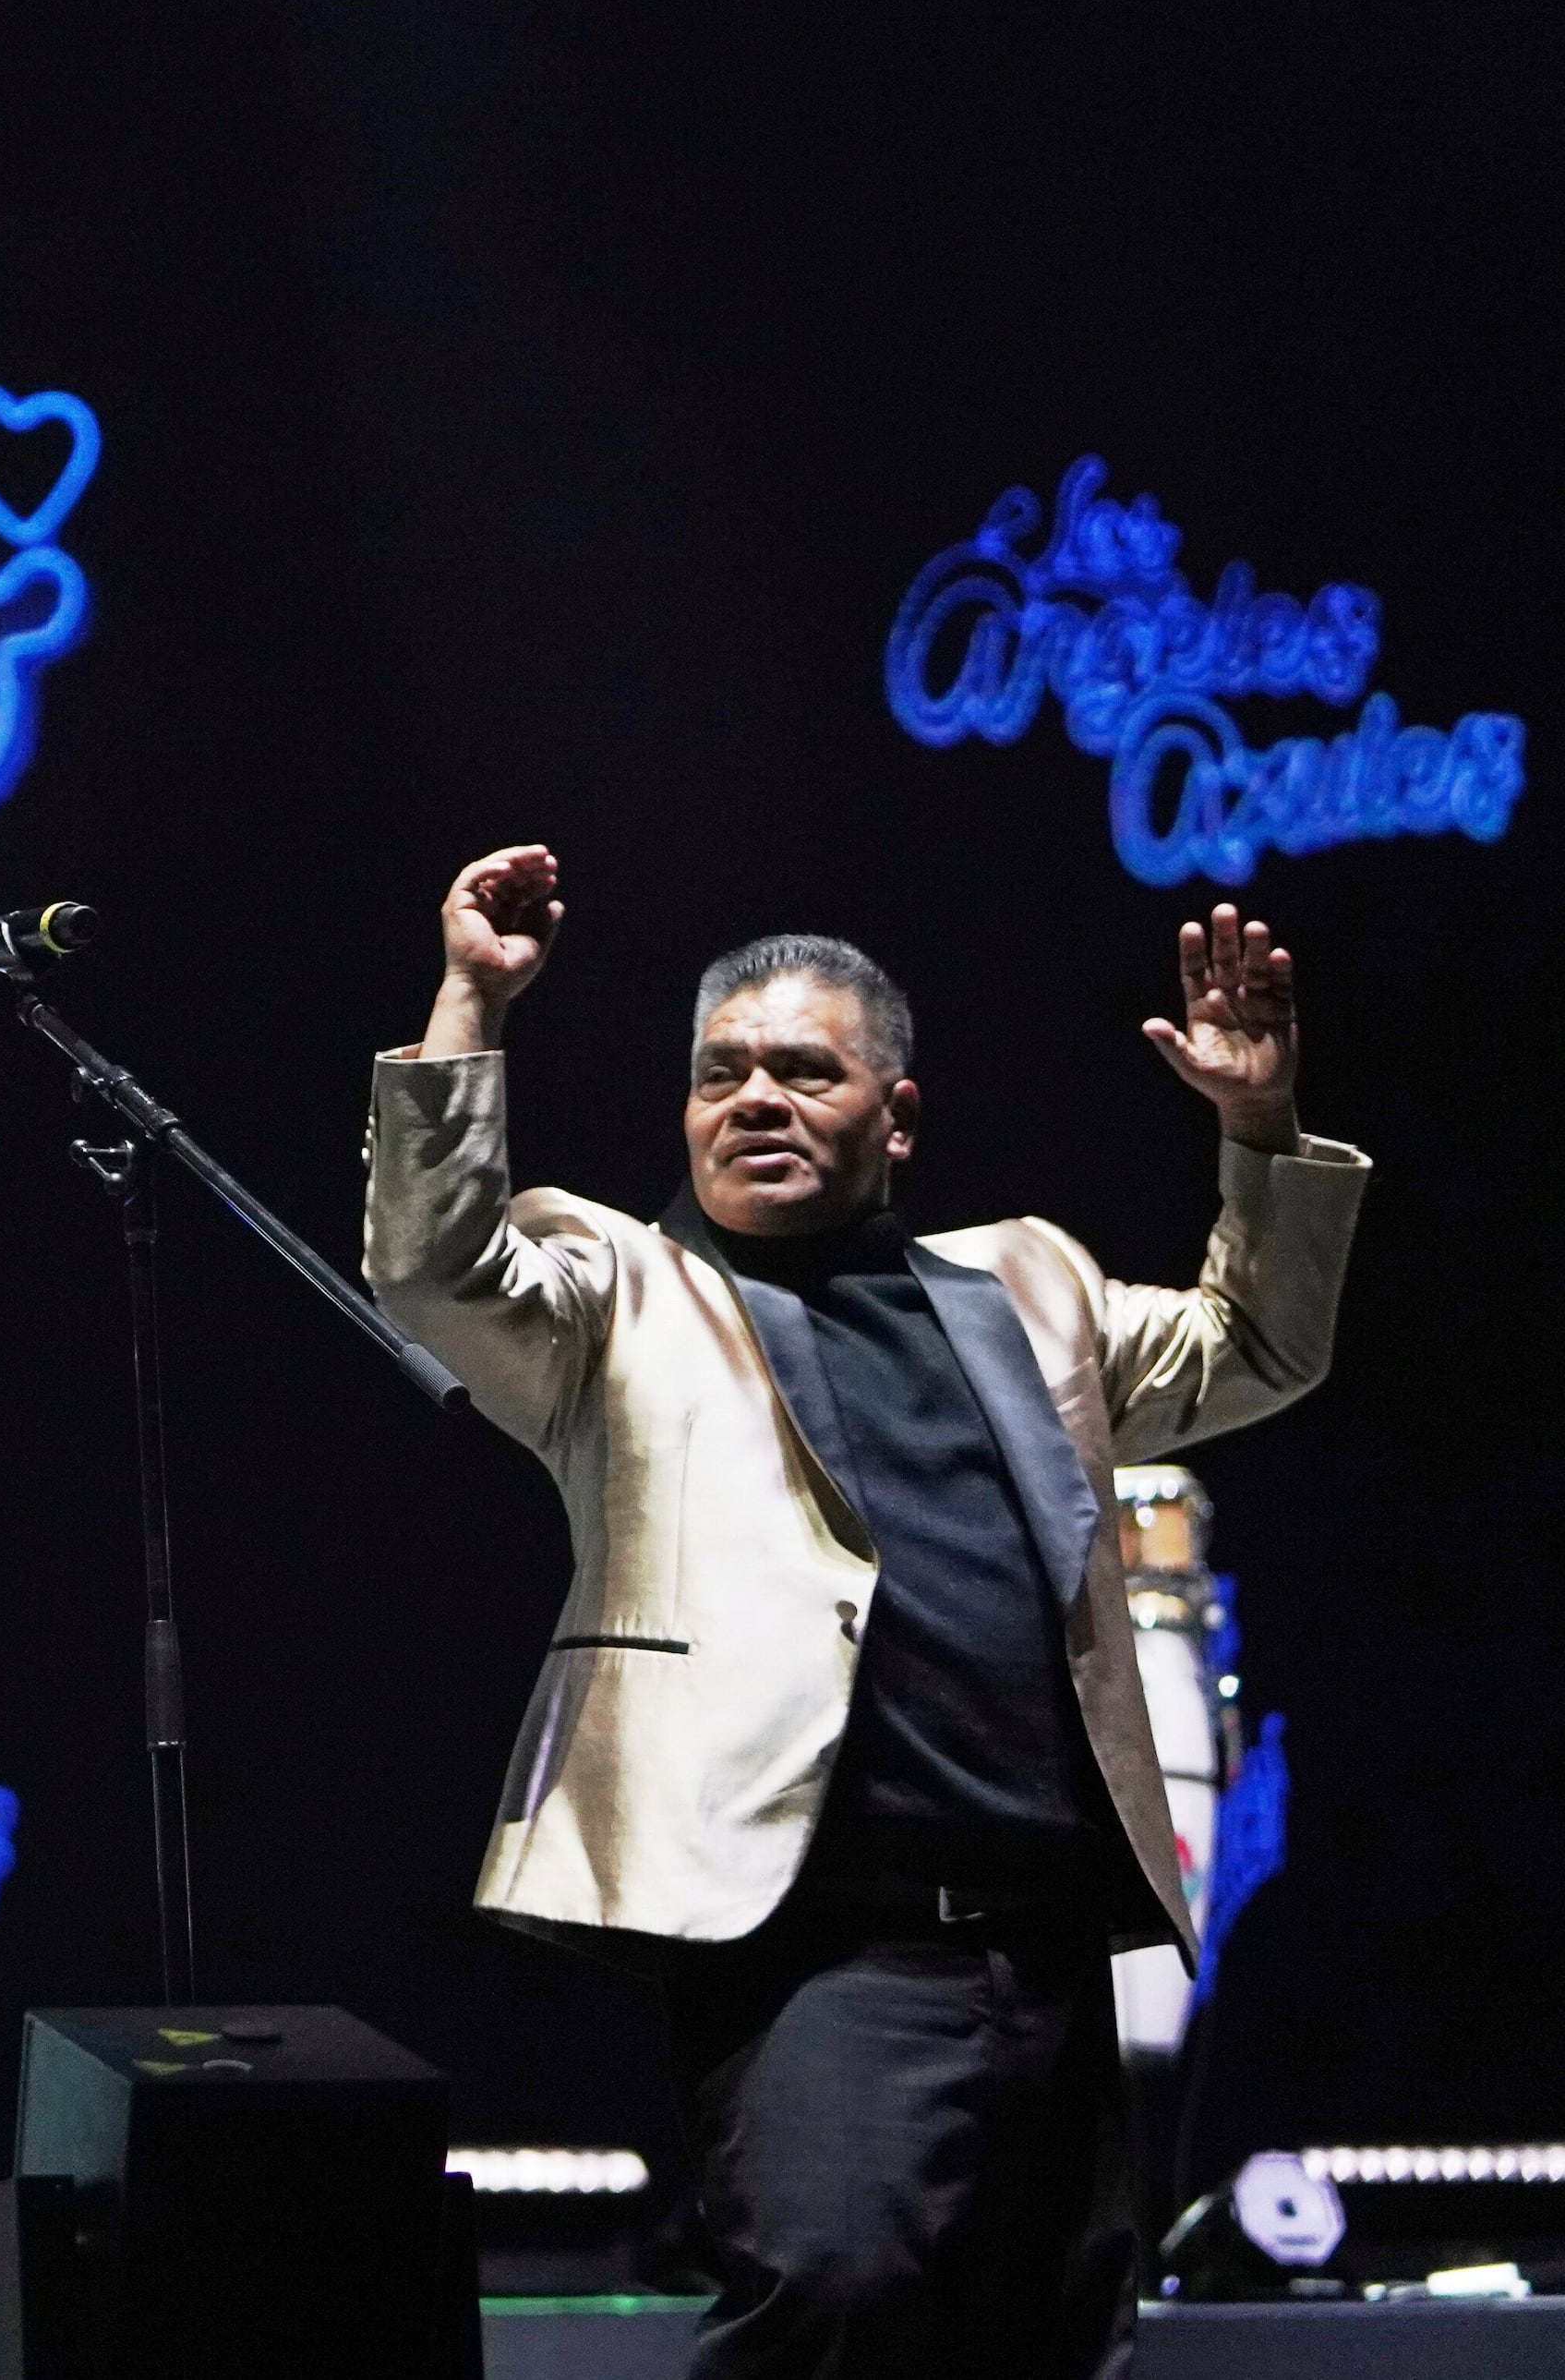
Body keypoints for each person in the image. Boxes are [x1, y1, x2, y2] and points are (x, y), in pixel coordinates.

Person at [363, 846, 1369, 2376]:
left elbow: (1261, 1345)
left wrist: (1257, 1126)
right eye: (720, 1073)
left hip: (1041, 1943)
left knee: (1037, 2339)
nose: (753, 1097)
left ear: (896, 1116)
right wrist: (470, 1007)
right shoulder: (615, 1293)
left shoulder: (1027, 1283)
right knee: (833, 2296)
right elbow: (435, 1270)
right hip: (816, 1944)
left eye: (802, 1070)